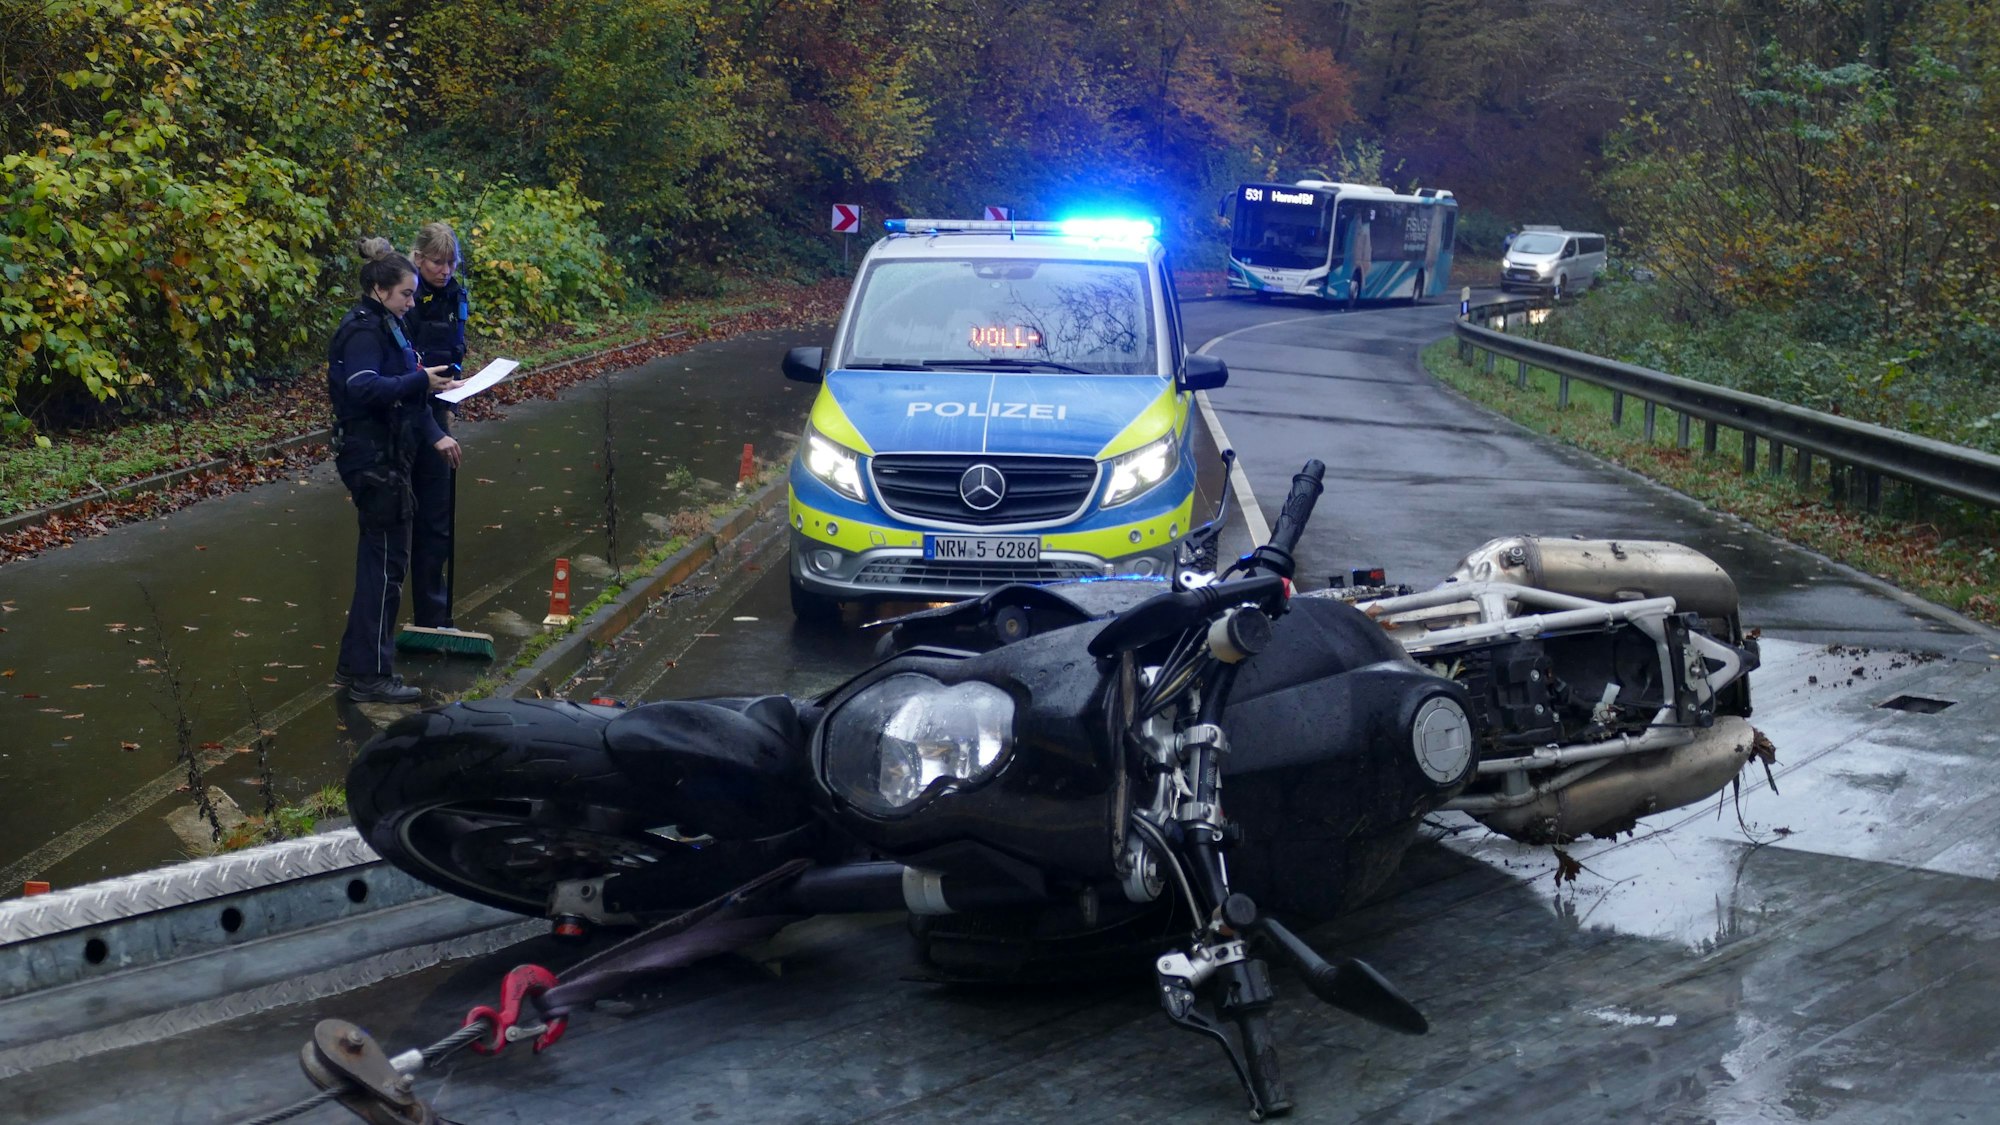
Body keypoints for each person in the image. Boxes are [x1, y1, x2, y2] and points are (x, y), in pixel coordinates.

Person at [328, 237, 463, 703]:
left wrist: (434, 429)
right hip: (372, 460)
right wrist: (418, 380)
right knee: (386, 567)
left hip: (389, 456)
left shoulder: (389, 325)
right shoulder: (365, 330)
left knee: (381, 563)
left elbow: (409, 389)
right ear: (381, 290)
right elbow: (363, 387)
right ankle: (372, 676)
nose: (412, 302)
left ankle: (355, 667)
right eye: (405, 294)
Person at [405, 221, 470, 631]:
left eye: (450, 263)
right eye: (436, 262)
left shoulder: (456, 296)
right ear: (417, 258)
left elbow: (457, 348)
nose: (444, 270)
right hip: (406, 413)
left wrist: (458, 382)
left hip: (441, 409)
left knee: (437, 522)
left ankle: (435, 617)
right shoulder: (404, 296)